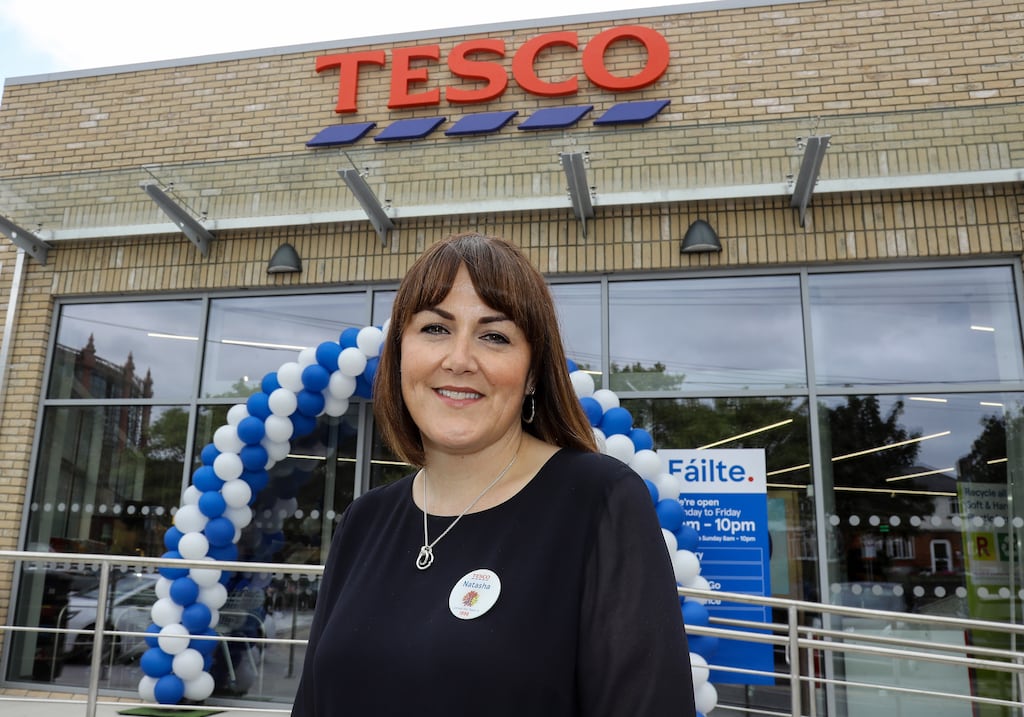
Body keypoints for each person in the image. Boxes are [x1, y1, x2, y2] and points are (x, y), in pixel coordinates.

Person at [291, 233, 696, 717]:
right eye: (435, 329)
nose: (459, 359)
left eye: (494, 336)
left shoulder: (600, 502)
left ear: (530, 374)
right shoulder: (363, 521)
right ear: (400, 354)